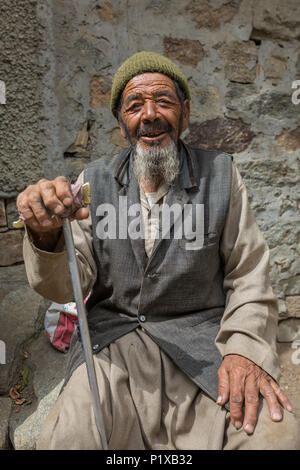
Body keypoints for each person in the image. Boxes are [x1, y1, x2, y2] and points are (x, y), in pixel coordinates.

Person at [18, 51, 300, 450]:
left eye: (163, 102)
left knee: (277, 435)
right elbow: (68, 285)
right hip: (112, 346)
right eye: (135, 106)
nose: (149, 115)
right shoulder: (92, 182)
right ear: (121, 124)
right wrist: (46, 237)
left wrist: (245, 352)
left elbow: (249, 274)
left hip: (202, 349)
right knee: (70, 438)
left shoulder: (221, 175)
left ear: (184, 114)